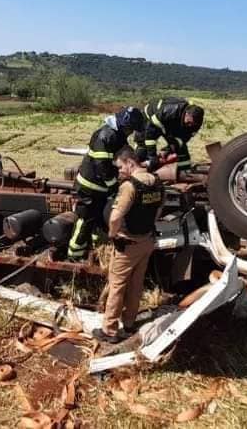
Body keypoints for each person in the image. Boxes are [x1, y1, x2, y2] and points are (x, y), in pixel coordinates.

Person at [92, 147, 165, 342]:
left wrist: (112, 234)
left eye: (120, 167)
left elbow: (116, 216)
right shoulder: (157, 182)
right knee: (136, 284)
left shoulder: (129, 186)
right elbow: (159, 209)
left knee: (117, 285)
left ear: (130, 163)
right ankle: (130, 323)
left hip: (128, 245)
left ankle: (109, 330)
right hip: (147, 241)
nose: (119, 172)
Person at [67, 106, 146, 261]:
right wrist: (114, 187)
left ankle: (95, 251)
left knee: (99, 219)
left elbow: (124, 153)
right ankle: (74, 255)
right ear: (125, 125)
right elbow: (101, 166)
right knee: (85, 220)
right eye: (131, 129)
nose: (131, 133)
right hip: (90, 186)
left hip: (101, 187)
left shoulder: (117, 135)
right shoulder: (105, 136)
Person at [134, 98, 204, 175]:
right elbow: (150, 134)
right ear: (186, 114)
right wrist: (152, 155)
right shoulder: (169, 111)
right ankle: (137, 169)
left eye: (192, 124)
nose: (190, 125)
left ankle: (184, 172)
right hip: (149, 118)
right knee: (143, 146)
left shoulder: (196, 122)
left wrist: (168, 149)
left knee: (180, 147)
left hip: (170, 123)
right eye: (189, 122)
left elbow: (183, 139)